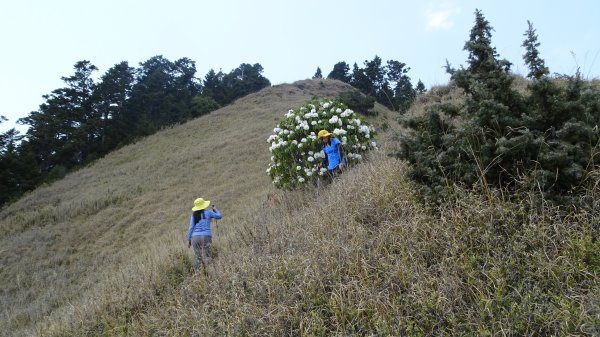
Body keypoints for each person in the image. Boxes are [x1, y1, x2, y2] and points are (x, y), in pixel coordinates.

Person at [187, 197, 222, 271]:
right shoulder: (209, 212)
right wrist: (215, 209)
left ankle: (197, 273)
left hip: (195, 238)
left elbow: (191, 228)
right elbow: (219, 216)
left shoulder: (193, 215)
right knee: (208, 256)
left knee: (198, 258)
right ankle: (209, 272)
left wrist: (189, 240)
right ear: (203, 205)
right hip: (206, 236)